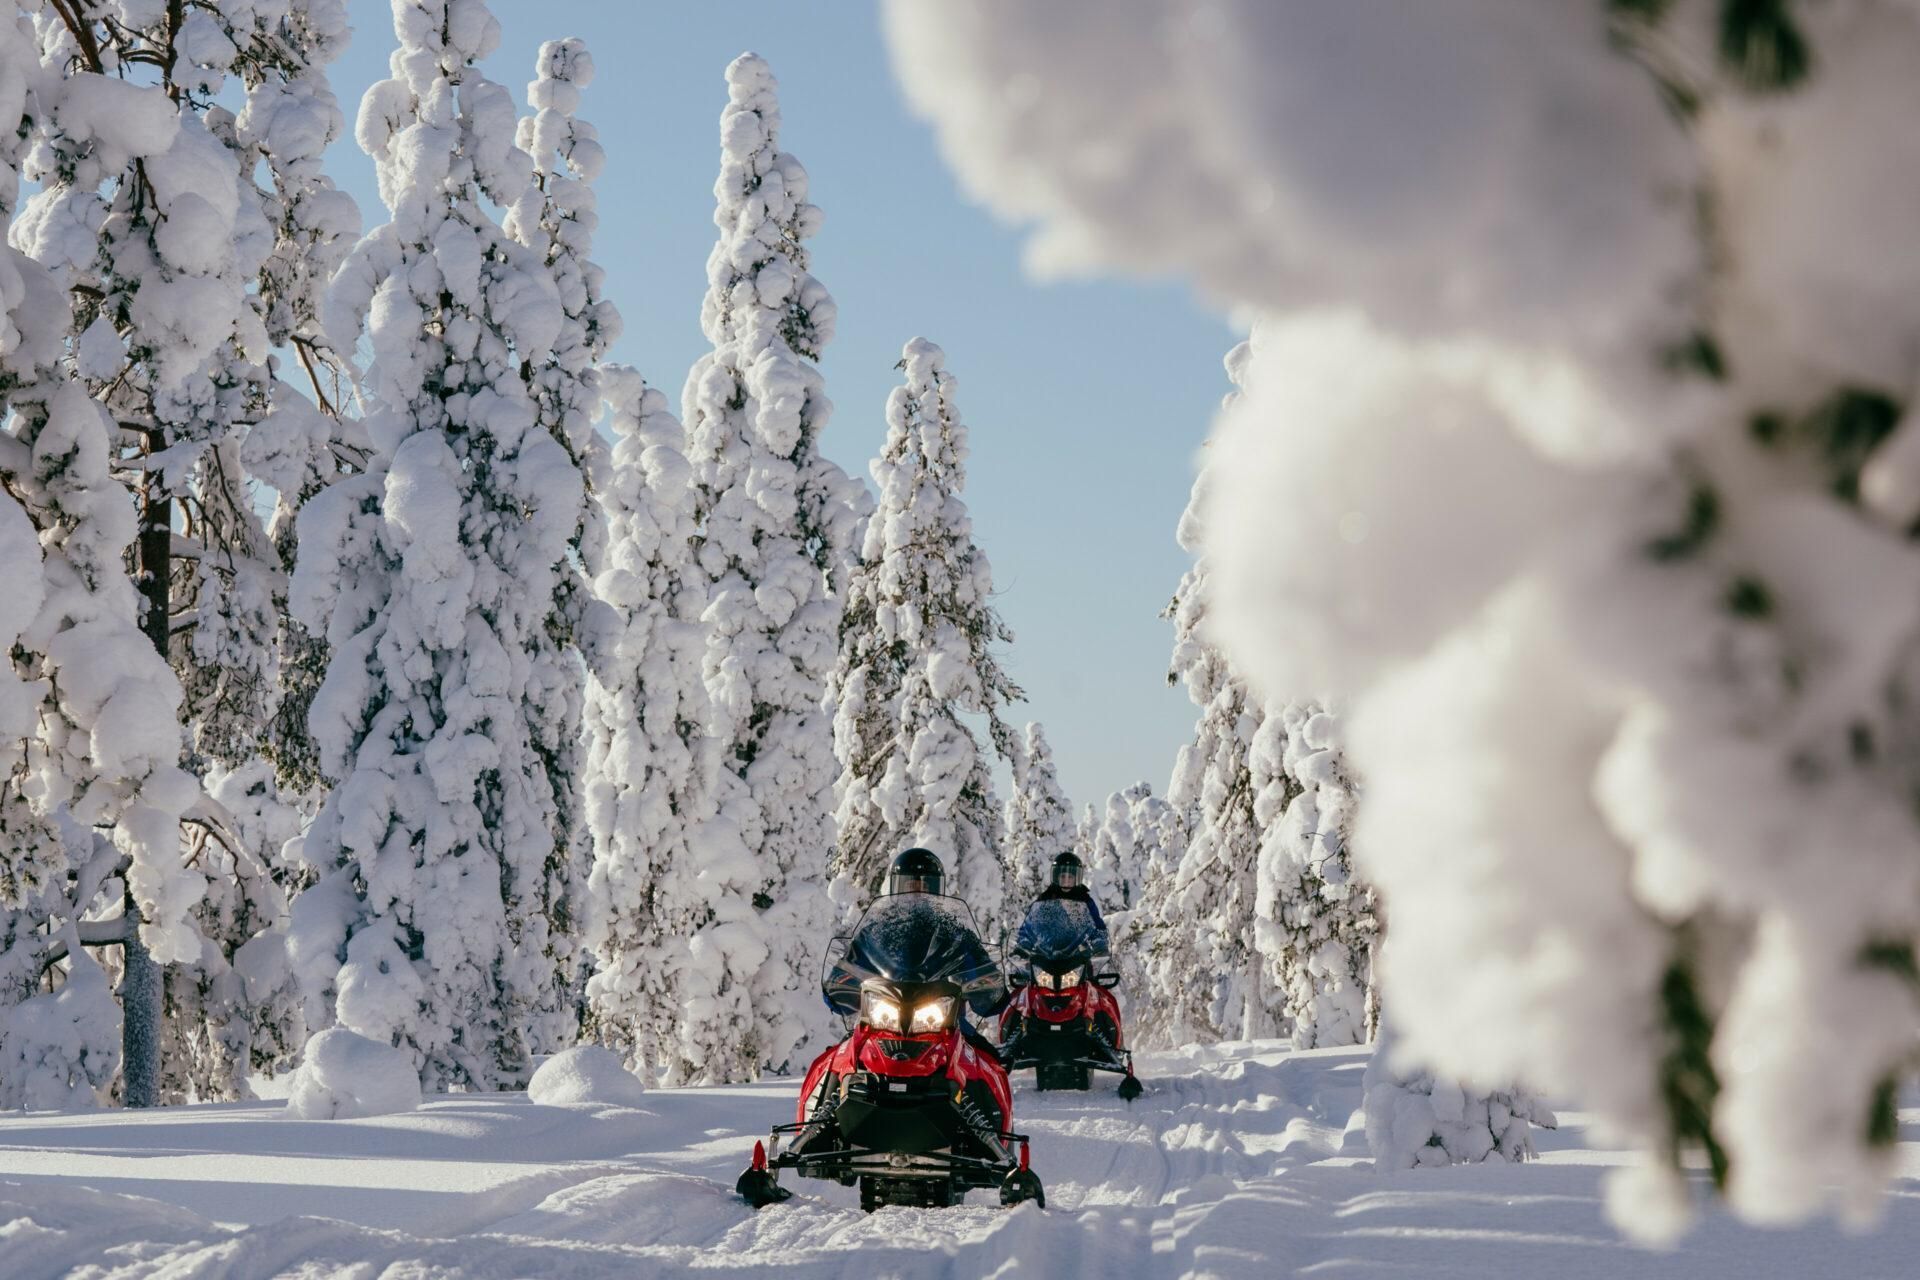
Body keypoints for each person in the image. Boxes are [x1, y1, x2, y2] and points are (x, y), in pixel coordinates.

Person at [824, 848, 1008, 1059]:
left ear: (937, 890)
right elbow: (852, 966)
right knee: (835, 1063)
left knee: (989, 1064)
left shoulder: (954, 934)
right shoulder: (877, 932)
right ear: (896, 888)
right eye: (910, 887)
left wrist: (986, 989)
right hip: (883, 1019)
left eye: (925, 887)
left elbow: (977, 968)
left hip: (941, 1021)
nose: (918, 894)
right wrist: (840, 987)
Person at [1035, 851, 1105, 933]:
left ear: (1076, 879)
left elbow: (1097, 923)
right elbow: (1033, 924)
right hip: (1050, 943)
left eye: (1070, 877)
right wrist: (1026, 941)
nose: (1066, 881)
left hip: (1079, 943)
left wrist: (1098, 939)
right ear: (1056, 877)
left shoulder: (1084, 899)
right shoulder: (1046, 898)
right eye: (1063, 876)